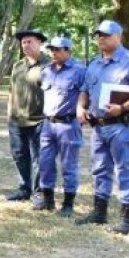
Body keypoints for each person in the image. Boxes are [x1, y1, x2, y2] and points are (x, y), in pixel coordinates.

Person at [76, 20, 129, 234]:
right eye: (98, 34)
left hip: (122, 126)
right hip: (98, 127)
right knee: (100, 169)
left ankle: (126, 220)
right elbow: (84, 90)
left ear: (118, 36)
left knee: (124, 170)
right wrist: (80, 108)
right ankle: (99, 213)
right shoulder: (94, 63)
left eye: (106, 34)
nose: (101, 38)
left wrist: (124, 107)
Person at [32, 37, 85, 217]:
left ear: (68, 50)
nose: (54, 52)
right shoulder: (47, 71)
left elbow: (86, 95)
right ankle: (48, 200)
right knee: (45, 163)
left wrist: (82, 113)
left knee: (69, 165)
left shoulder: (79, 71)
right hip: (48, 124)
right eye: (51, 49)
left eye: (58, 49)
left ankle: (68, 204)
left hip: (68, 124)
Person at [5, 28, 48, 201]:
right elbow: (11, 91)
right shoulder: (17, 66)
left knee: (39, 158)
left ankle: (38, 192)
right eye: (23, 42)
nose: (26, 45)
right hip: (16, 119)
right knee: (19, 154)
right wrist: (9, 113)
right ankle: (24, 188)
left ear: (39, 43)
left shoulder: (48, 65)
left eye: (30, 41)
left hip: (39, 119)